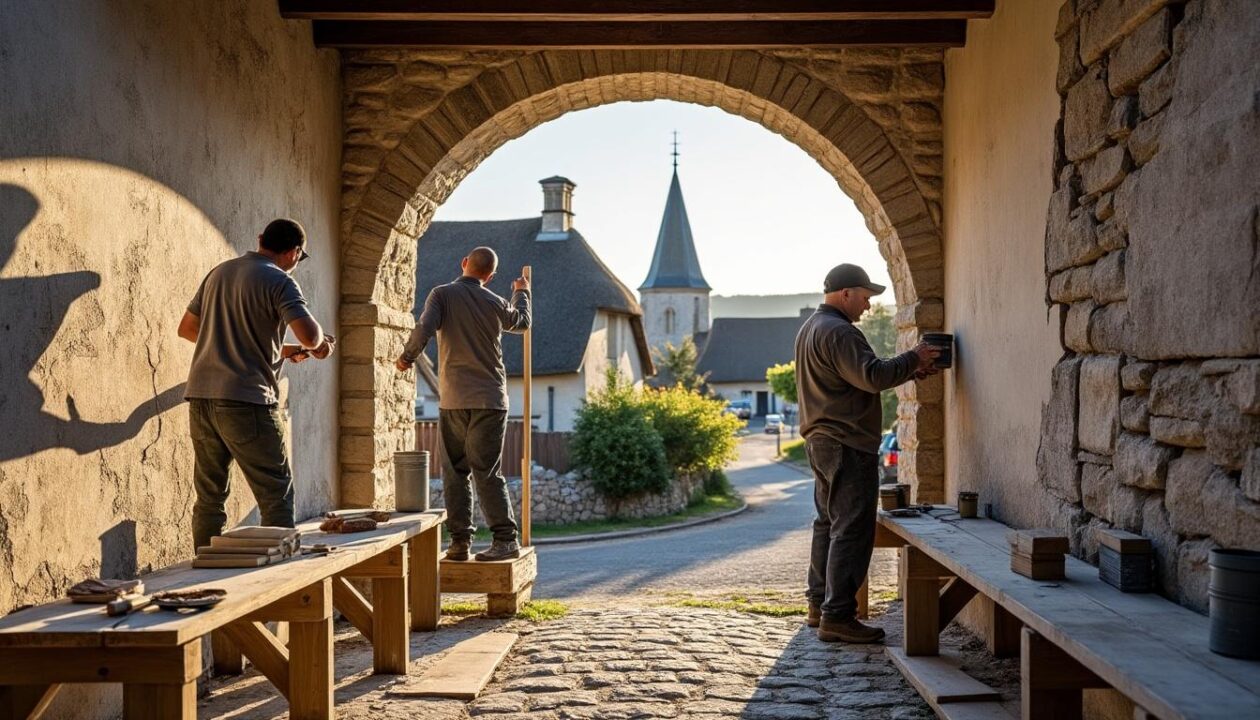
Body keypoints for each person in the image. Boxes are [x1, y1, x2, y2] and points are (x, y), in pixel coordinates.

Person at [795, 263, 939, 643]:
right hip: (847, 443)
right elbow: (872, 375)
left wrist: (909, 370)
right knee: (852, 528)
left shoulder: (811, 328)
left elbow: (858, 378)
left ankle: (818, 605)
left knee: (827, 522)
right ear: (845, 294)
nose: (869, 306)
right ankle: (838, 616)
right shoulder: (841, 332)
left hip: (821, 441)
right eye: (865, 297)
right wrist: (915, 357)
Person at [178, 218, 335, 551]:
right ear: (294, 253)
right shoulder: (280, 281)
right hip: (248, 400)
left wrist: (282, 350)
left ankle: (206, 576)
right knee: (276, 492)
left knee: (210, 496)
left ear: (261, 238)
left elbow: (190, 329)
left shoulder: (219, 273)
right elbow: (310, 335)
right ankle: (282, 588)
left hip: (202, 396)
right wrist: (318, 345)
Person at [396, 246, 531, 562]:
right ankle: (504, 540)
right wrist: (521, 292)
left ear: (464, 264)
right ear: (491, 276)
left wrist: (406, 358)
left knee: (455, 472)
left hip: (454, 399)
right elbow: (522, 322)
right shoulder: (496, 301)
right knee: (487, 471)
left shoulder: (441, 295)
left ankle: (460, 543)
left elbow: (425, 329)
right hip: (491, 400)